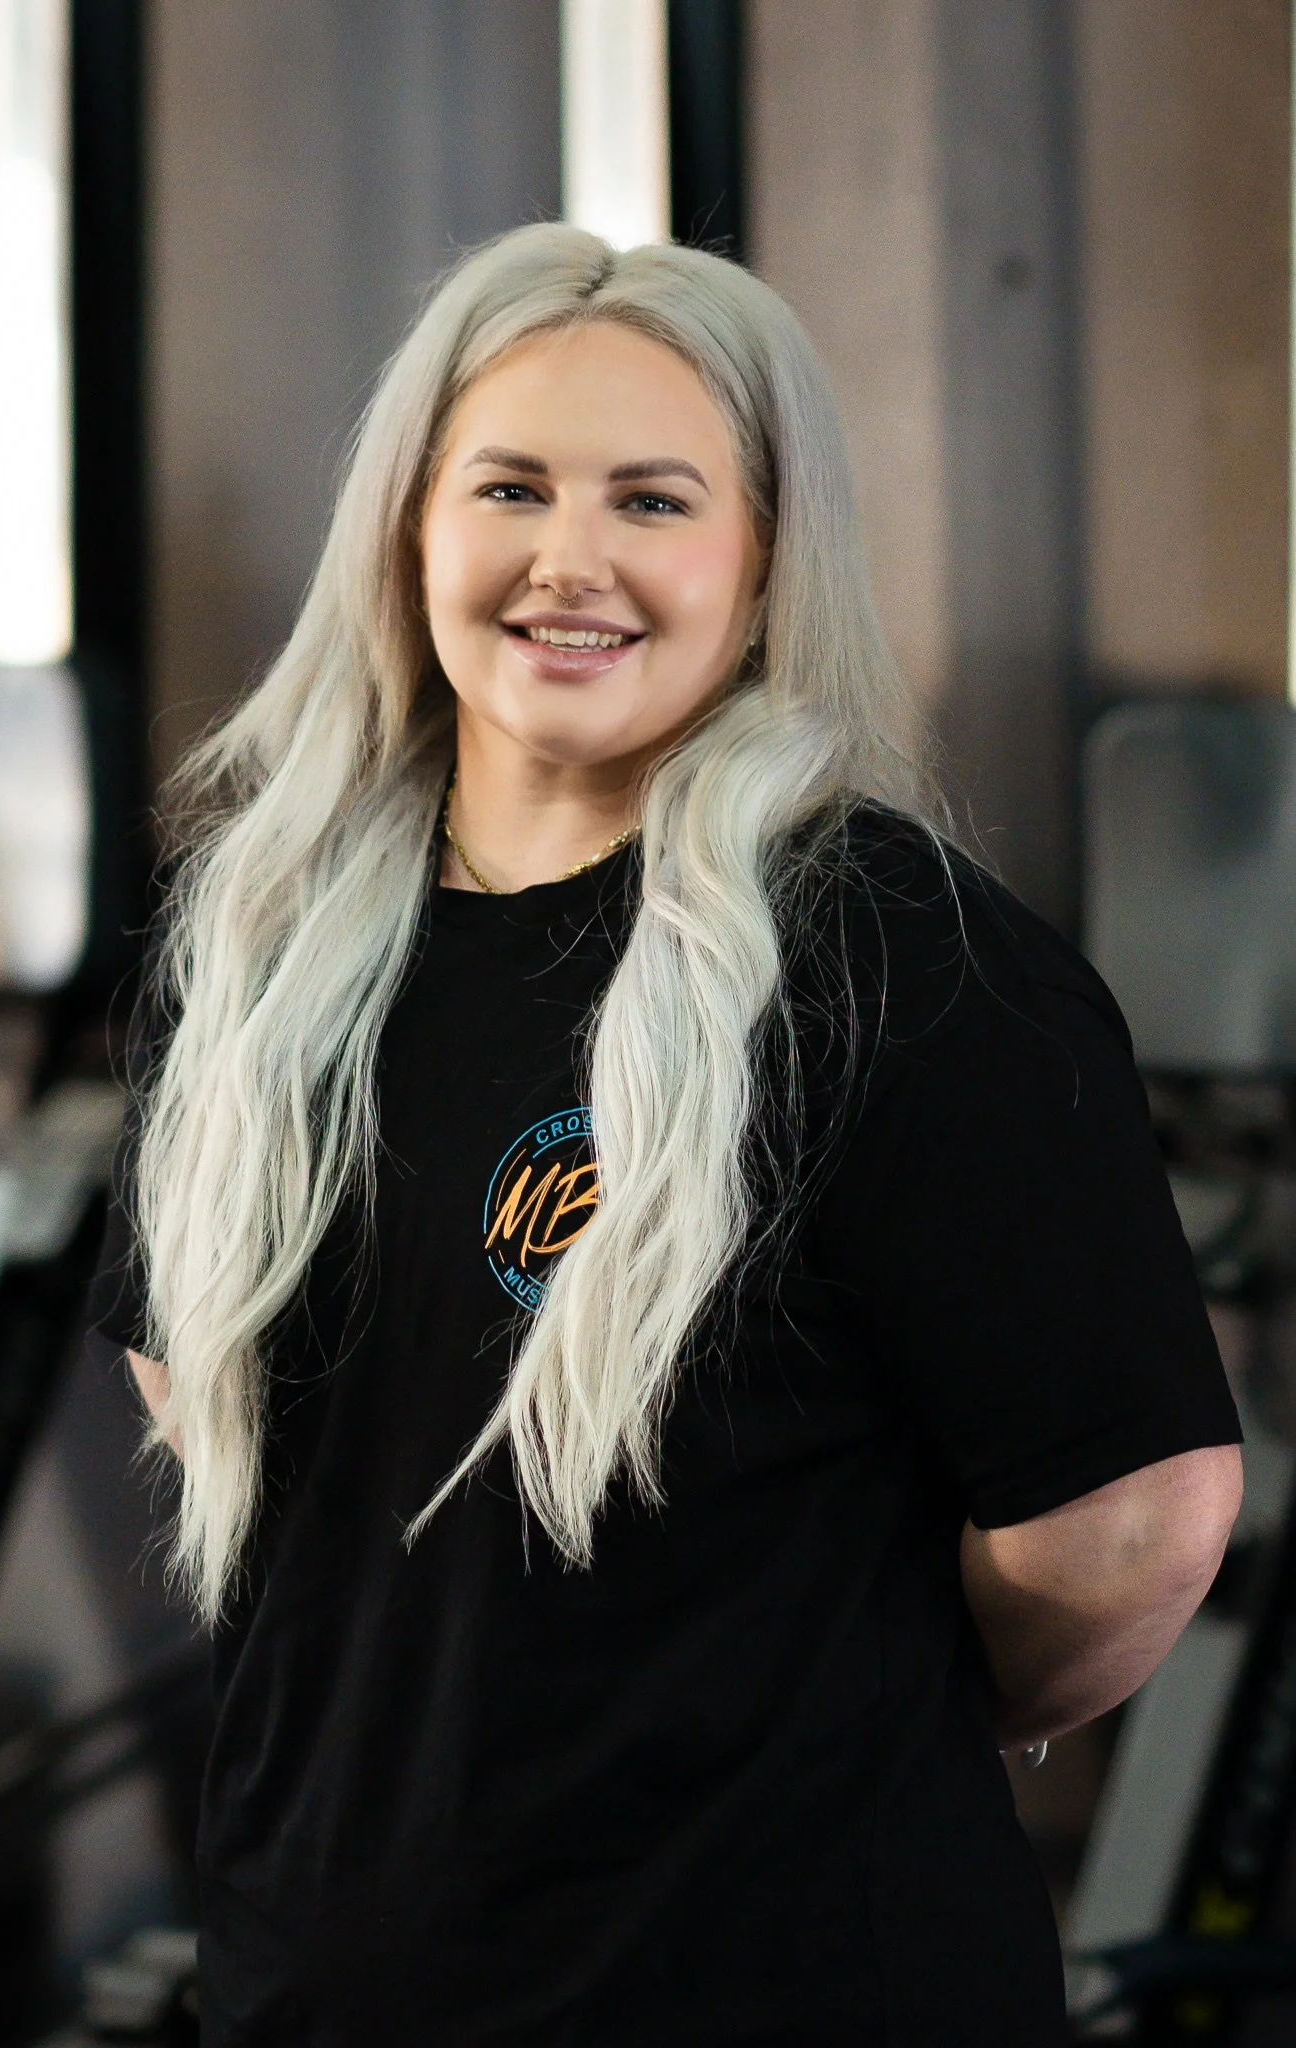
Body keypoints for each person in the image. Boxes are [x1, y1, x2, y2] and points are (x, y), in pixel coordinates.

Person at [89, 223, 1242, 2046]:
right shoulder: (248, 951)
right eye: (511, 488)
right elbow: (213, 1406)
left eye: (653, 500)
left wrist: (874, 1704)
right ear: (410, 528)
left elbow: (1130, 1524)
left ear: (765, 559)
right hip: (317, 1991)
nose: (572, 560)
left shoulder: (899, 968)